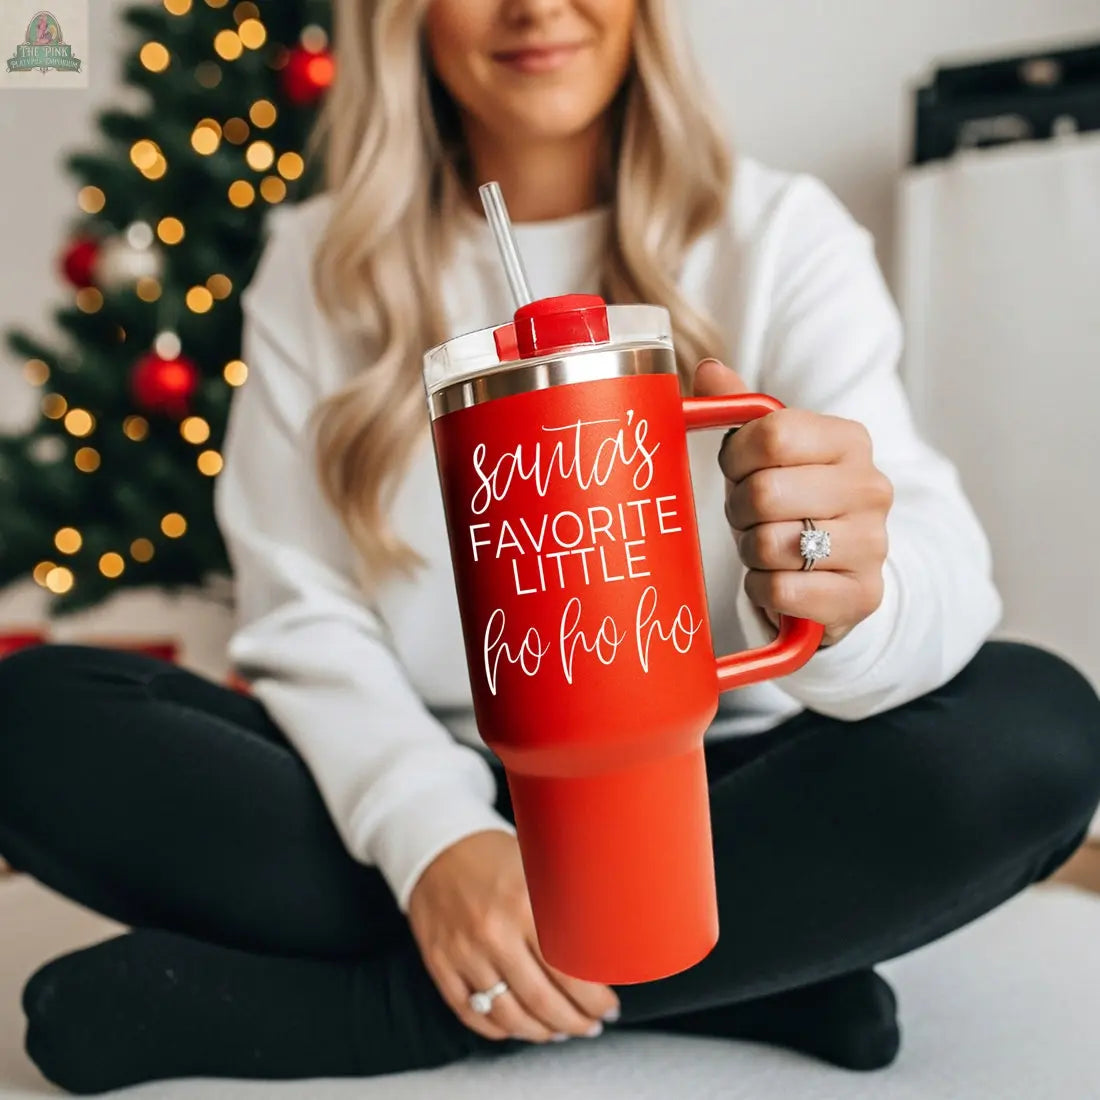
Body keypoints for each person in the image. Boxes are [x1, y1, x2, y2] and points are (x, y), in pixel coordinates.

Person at [2, 0, 1099, 1094]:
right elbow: (302, 610)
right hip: (448, 775)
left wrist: (854, 597)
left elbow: (935, 565)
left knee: (1036, 727)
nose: (533, 7)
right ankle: (759, 964)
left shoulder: (778, 233)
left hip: (722, 786)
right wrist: (437, 843)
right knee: (29, 717)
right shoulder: (316, 262)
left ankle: (373, 1011)